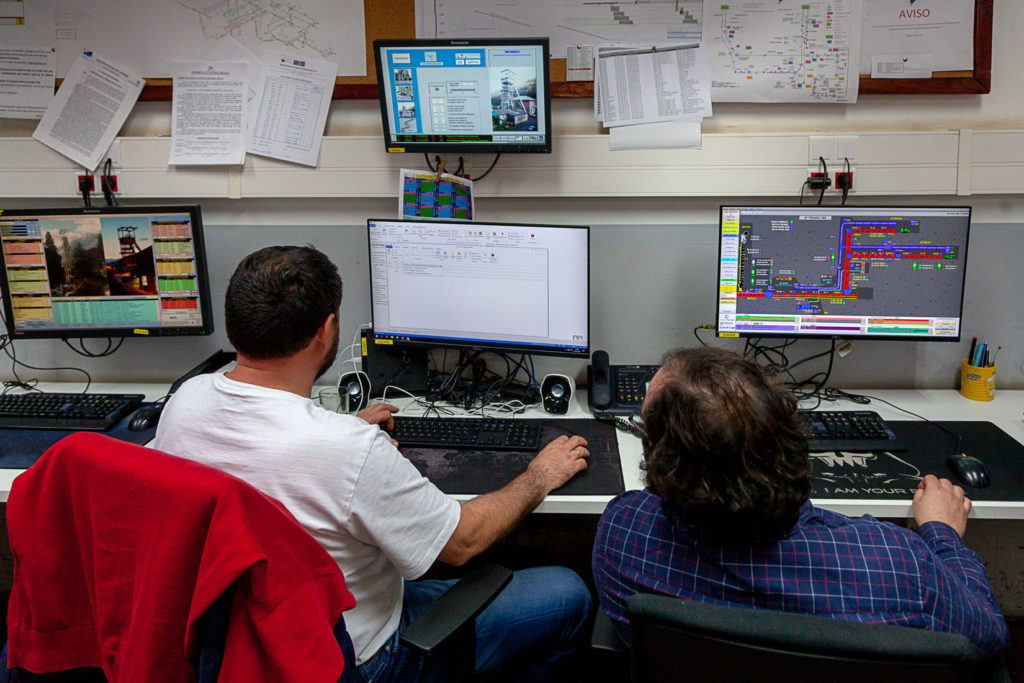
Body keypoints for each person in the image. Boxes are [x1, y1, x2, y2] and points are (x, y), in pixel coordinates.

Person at [155, 245, 593, 682]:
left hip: (234, 649)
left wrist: (338, 427)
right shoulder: (348, 449)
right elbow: (463, 542)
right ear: (327, 331)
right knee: (568, 595)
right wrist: (539, 476)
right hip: (359, 659)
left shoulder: (184, 403)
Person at [592, 346, 1010, 659]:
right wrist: (942, 534)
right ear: (793, 440)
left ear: (663, 462)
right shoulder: (898, 566)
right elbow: (990, 636)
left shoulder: (622, 532)